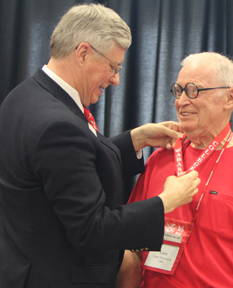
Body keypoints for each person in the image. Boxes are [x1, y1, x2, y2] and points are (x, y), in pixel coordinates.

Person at [0, 4, 201, 288]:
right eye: (113, 66)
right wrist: (166, 201)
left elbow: (68, 170)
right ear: (83, 53)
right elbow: (92, 229)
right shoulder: (58, 124)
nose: (116, 79)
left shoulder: (25, 95)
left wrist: (136, 140)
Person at [117, 52, 233, 288]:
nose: (181, 101)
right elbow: (132, 250)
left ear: (230, 97)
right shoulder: (160, 159)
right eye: (179, 90)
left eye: (193, 90)